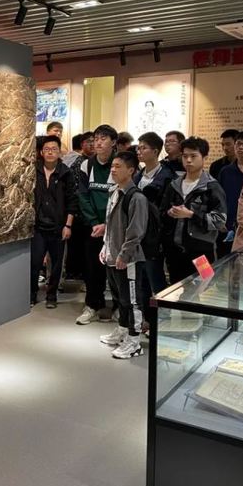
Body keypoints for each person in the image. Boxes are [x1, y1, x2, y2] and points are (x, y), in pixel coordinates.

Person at [99, 151, 148, 359]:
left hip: (129, 259)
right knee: (120, 297)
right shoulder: (114, 192)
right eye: (113, 166)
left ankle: (134, 341)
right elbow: (109, 224)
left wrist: (124, 255)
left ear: (131, 170)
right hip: (113, 255)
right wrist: (105, 247)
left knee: (132, 300)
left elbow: (136, 231)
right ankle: (122, 329)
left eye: (118, 166)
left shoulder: (136, 197)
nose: (113, 169)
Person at [160, 137, 227, 284]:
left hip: (202, 251)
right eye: (185, 156)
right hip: (175, 251)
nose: (188, 160)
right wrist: (170, 213)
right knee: (176, 288)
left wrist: (191, 214)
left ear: (204, 158)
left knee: (204, 287)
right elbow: (162, 213)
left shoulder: (211, 187)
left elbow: (220, 220)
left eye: (193, 156)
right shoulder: (174, 185)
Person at [30, 136, 78, 308]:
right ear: (41, 152)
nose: (50, 152)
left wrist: (68, 225)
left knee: (57, 264)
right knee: (35, 262)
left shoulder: (66, 173)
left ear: (59, 152)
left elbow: (72, 201)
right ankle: (32, 294)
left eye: (54, 149)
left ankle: (51, 296)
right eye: (47, 149)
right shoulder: (34, 170)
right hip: (38, 226)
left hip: (59, 226)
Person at [77, 124, 118, 325]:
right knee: (92, 269)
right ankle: (93, 305)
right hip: (93, 228)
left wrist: (108, 224)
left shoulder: (120, 164)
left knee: (117, 269)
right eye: (96, 138)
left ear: (114, 142)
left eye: (103, 138)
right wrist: (95, 223)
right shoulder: (87, 165)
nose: (98, 142)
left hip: (115, 228)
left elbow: (123, 196)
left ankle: (119, 308)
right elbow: (83, 196)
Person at [135, 132, 174, 295]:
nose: (139, 151)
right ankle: (144, 310)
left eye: (143, 148)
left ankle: (160, 310)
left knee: (155, 278)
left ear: (155, 151)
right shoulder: (137, 175)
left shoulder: (167, 177)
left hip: (155, 235)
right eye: (138, 148)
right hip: (137, 233)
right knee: (140, 278)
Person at [217, 130, 243, 256]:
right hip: (227, 226)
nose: (240, 147)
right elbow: (219, 198)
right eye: (238, 144)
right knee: (226, 261)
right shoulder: (225, 171)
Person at [65, 132, 95, 281]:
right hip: (78, 212)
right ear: (82, 144)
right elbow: (76, 190)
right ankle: (75, 274)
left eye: (94, 141)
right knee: (77, 247)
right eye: (89, 141)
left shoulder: (96, 162)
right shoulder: (79, 163)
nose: (92, 144)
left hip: (93, 214)